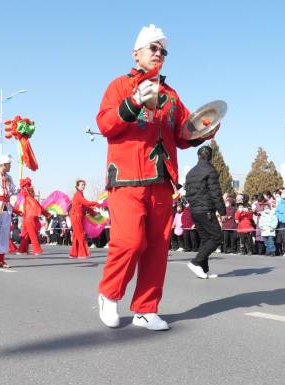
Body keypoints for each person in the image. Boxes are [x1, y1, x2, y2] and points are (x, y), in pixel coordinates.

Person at [96, 24, 212, 330]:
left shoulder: (172, 95)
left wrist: (204, 129)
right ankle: (109, 293)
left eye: (163, 50)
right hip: (126, 179)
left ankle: (146, 309)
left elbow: (183, 134)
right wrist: (133, 102)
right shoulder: (120, 85)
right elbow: (106, 124)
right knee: (129, 242)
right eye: (153, 48)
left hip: (162, 181)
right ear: (136, 54)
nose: (159, 54)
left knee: (158, 249)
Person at [184, 145, 226, 279]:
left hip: (194, 210)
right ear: (210, 156)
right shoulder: (210, 170)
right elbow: (216, 193)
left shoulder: (190, 172)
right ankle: (195, 262)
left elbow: (188, 193)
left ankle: (203, 269)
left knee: (205, 238)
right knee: (216, 237)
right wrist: (222, 211)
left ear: (198, 156)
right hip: (206, 209)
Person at [17, 177, 50, 255]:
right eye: (32, 191)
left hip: (27, 218)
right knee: (31, 234)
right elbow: (40, 208)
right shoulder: (29, 198)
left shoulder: (29, 198)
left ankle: (22, 250)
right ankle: (37, 250)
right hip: (29, 218)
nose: (33, 192)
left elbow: (40, 208)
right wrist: (47, 214)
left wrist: (47, 214)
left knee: (26, 235)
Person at [68, 179, 99, 258]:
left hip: (78, 215)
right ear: (77, 186)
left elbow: (85, 206)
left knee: (76, 235)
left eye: (84, 185)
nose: (83, 186)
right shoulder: (78, 194)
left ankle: (74, 253)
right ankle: (82, 253)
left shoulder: (80, 194)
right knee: (80, 234)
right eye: (82, 185)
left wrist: (93, 213)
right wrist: (96, 202)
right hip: (76, 215)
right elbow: (86, 203)